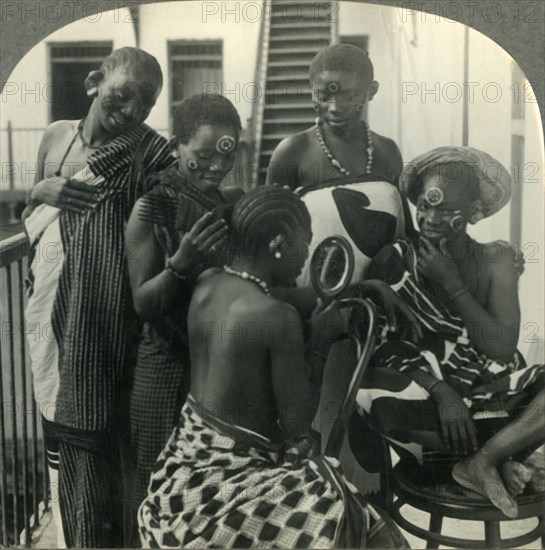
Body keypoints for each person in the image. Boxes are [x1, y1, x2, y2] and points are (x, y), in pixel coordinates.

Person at [138, 186, 407, 548]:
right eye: (304, 244)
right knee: (364, 525)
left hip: (183, 478)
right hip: (233, 483)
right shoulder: (277, 318)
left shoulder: (210, 281)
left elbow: (284, 295)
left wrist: (359, 287)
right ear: (279, 244)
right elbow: (298, 424)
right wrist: (322, 346)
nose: (306, 256)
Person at [23, 47, 174, 547]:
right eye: (123, 94)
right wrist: (42, 191)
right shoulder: (54, 137)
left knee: (102, 437)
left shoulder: (148, 151)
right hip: (47, 311)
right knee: (55, 420)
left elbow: (183, 194)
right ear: (93, 83)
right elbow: (35, 218)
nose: (131, 111)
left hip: (104, 321)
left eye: (145, 103)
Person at [350, 146, 544, 518]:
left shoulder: (496, 259)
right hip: (431, 403)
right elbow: (384, 350)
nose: (430, 218)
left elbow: (502, 350)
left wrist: (453, 284)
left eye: (446, 209)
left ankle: (482, 460)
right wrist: (442, 391)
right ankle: (502, 454)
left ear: (473, 213)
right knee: (373, 397)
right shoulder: (394, 259)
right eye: (424, 206)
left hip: (492, 393)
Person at [124, 93, 244, 535]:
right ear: (177, 147)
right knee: (158, 490)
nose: (215, 166)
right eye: (202, 156)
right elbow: (143, 303)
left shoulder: (231, 206)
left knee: (212, 495)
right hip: (164, 367)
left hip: (219, 369)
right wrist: (183, 261)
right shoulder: (150, 208)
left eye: (225, 154)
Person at [265, 44, 415, 237]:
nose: (335, 107)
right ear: (312, 92)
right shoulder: (293, 152)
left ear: (371, 91)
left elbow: (405, 232)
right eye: (324, 95)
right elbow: (268, 236)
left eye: (349, 96)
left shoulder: (387, 151)